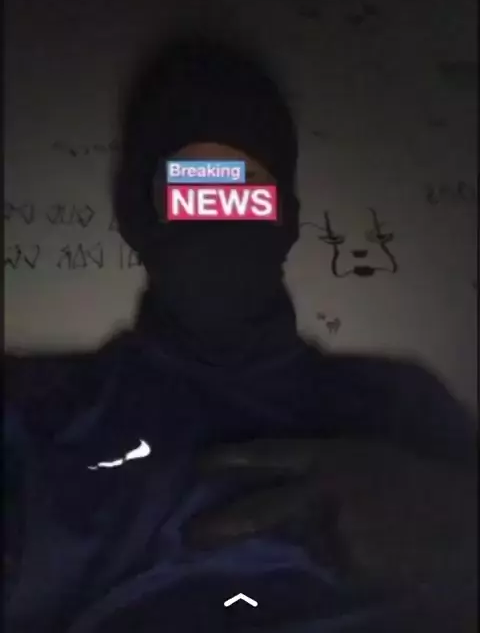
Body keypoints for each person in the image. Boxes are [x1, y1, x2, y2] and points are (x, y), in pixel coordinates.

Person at [4, 34, 477, 633]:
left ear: (290, 218)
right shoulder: (34, 416)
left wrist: (463, 534)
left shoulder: (405, 407)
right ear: (131, 214)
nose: (218, 222)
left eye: (242, 187)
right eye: (193, 187)